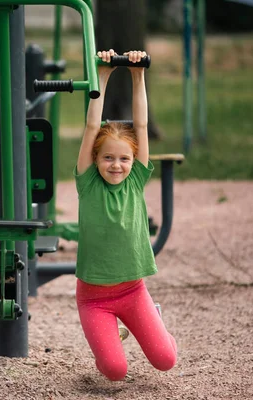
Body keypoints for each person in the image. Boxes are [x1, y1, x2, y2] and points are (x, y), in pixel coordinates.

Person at [74, 49, 177, 381]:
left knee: (165, 360)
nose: (115, 165)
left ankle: (152, 319)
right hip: (94, 299)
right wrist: (102, 77)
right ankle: (107, 345)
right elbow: (92, 125)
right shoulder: (88, 183)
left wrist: (137, 76)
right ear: (95, 159)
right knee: (115, 371)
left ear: (134, 163)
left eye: (123, 159)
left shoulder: (135, 180)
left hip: (133, 291)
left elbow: (141, 124)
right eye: (107, 158)